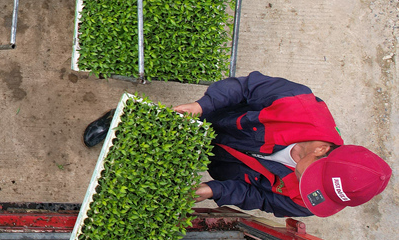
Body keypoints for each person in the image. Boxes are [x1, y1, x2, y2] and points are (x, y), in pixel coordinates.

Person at [83, 72, 391, 217]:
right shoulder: (302, 106)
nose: (306, 185)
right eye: (314, 177)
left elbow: (258, 197)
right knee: (166, 124)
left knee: (159, 166)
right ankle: (119, 120)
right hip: (224, 121)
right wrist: (203, 106)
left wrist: (214, 191)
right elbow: (244, 88)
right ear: (322, 149)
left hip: (229, 166)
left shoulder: (311, 200)